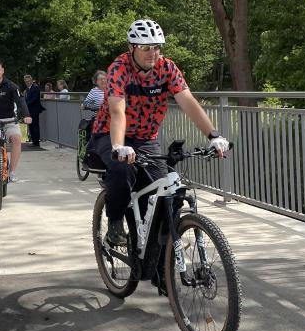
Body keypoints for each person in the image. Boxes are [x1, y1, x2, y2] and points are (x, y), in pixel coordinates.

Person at [90, 19, 229, 245]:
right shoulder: (119, 68)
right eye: (145, 47)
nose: (152, 53)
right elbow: (117, 111)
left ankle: (160, 264)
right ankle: (115, 224)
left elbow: (188, 102)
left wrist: (213, 135)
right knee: (122, 168)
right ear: (131, 47)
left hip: (145, 138)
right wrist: (118, 146)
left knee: (162, 194)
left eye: (156, 47)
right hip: (111, 134)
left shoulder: (167, 68)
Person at [23, 74, 44, 147]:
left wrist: (26, 104)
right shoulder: (28, 89)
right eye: (26, 81)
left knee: (35, 126)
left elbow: (34, 99)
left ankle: (36, 142)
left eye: (28, 81)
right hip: (29, 110)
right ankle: (34, 141)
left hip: (34, 110)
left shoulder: (35, 88)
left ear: (31, 80)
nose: (27, 82)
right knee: (31, 126)